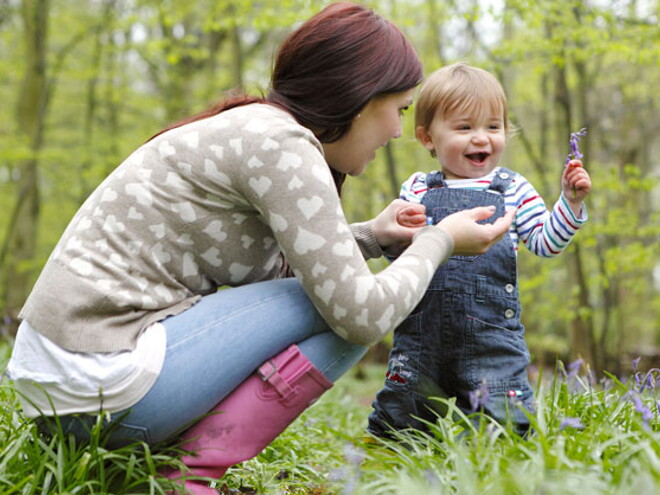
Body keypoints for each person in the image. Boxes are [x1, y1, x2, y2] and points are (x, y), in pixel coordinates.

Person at [6, 5, 512, 494]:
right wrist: (439, 239)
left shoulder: (257, 129)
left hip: (63, 388)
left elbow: (266, 284)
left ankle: (154, 470)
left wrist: (372, 238)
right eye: (397, 109)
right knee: (360, 308)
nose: (399, 131)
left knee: (348, 295)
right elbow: (361, 314)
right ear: (359, 96)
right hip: (101, 382)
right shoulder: (281, 146)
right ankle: (189, 476)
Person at [367, 62, 592, 439]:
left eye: (493, 126)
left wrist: (570, 204)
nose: (482, 138)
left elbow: (546, 242)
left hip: (492, 338)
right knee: (401, 417)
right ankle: (387, 461)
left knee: (507, 423)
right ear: (427, 138)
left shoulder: (514, 188)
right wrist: (399, 231)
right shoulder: (417, 189)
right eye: (464, 127)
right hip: (421, 338)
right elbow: (401, 257)